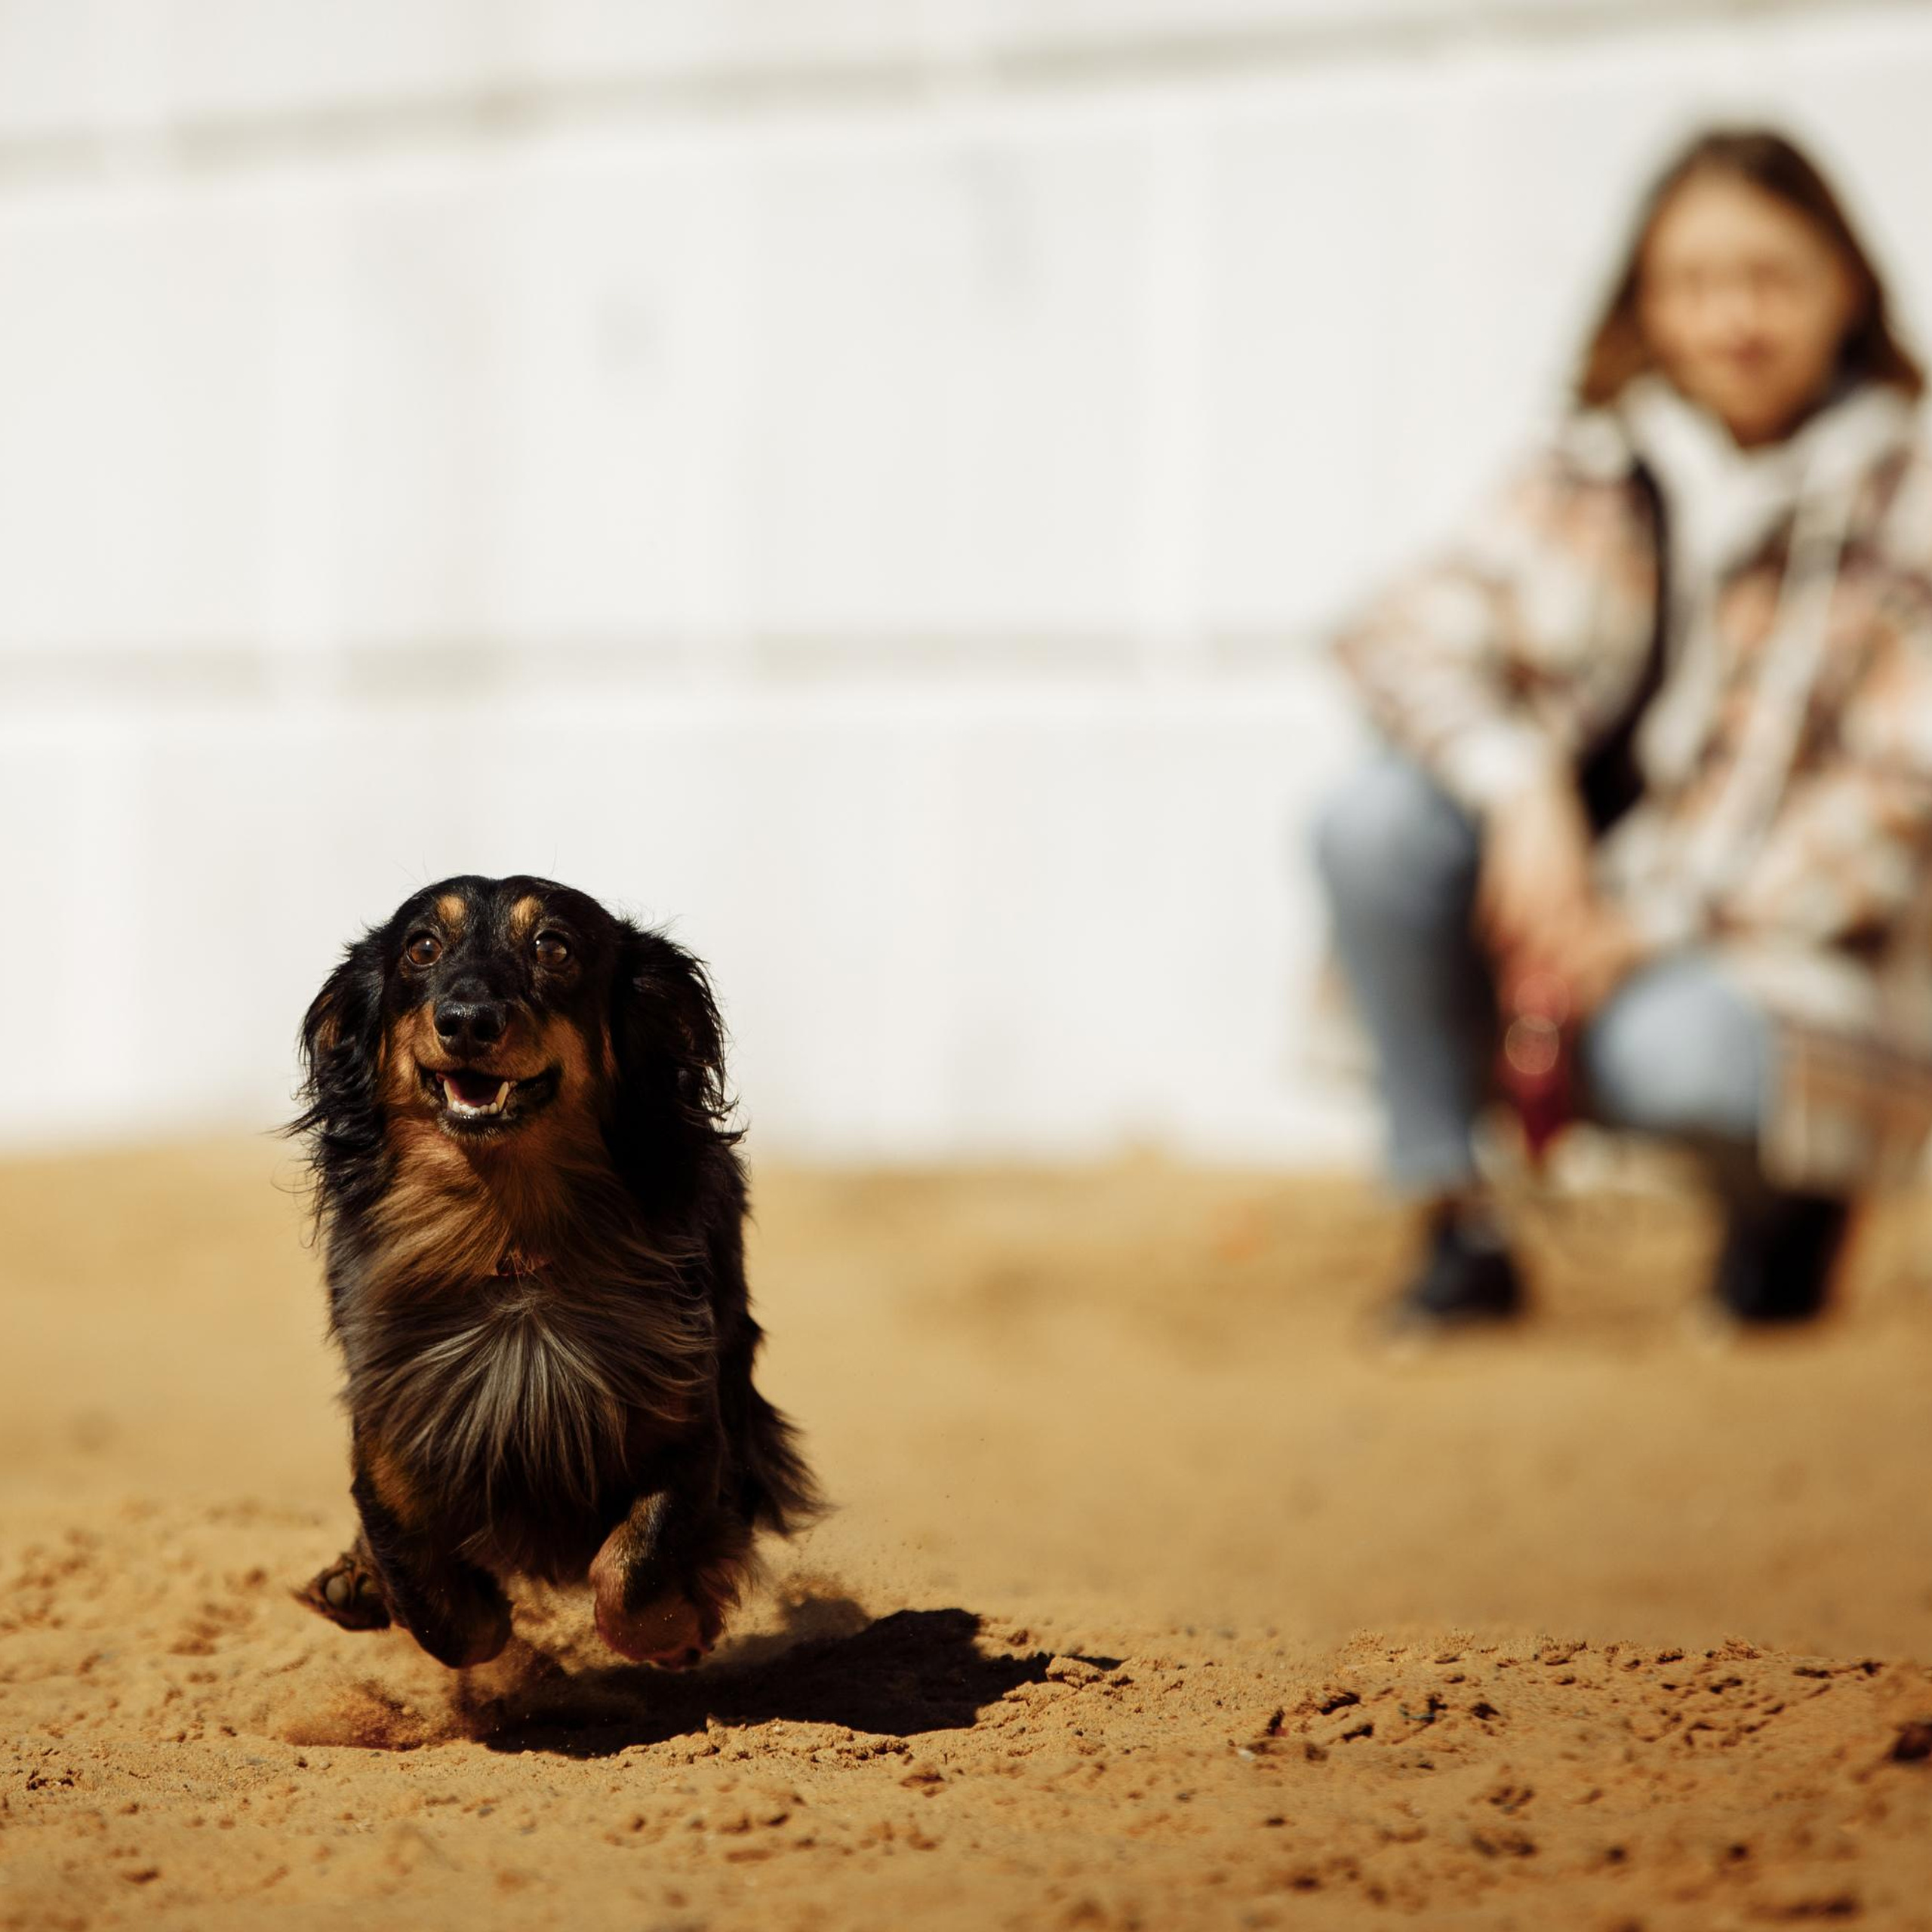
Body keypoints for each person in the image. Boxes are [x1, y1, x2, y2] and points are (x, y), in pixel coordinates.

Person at [1316, 127, 1932, 1331]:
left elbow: (1894, 801)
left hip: (1764, 948)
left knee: (1678, 1056)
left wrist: (1648, 924)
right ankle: (1459, 1219)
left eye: (1771, 278)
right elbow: (1394, 633)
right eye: (1696, 284)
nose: (1734, 320)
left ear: (1844, 286)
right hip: (1564, 916)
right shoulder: (1589, 466)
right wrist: (1517, 785)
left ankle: (1789, 1203)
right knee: (1374, 820)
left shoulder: (1909, 495)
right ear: (1648, 302)